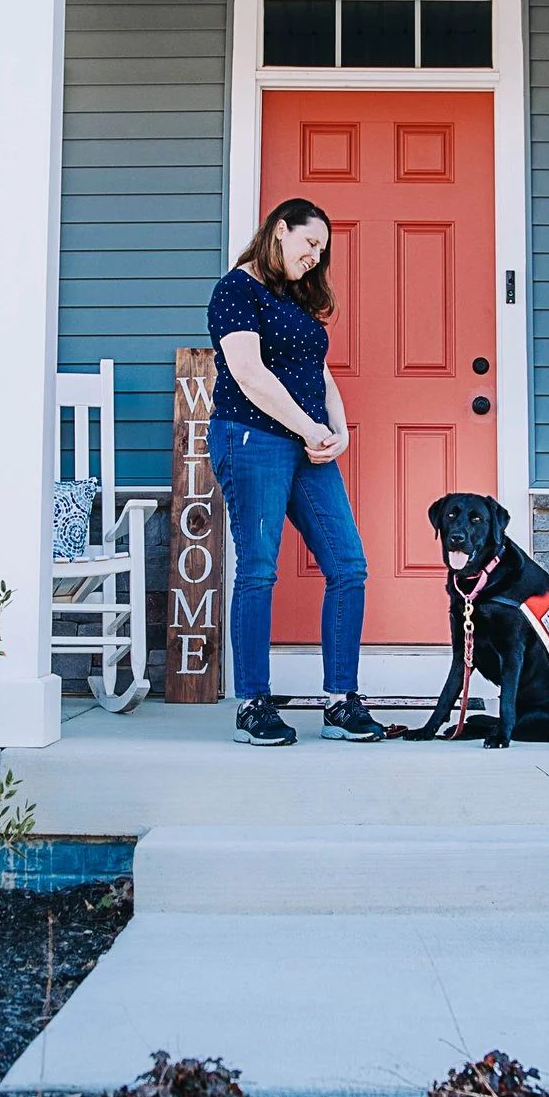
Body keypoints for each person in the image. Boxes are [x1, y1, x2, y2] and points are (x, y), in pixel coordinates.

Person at [206, 196, 383, 747]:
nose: (315, 257)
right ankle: (253, 706)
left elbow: (318, 371)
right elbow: (250, 375)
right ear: (280, 231)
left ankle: (340, 702)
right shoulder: (235, 290)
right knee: (258, 569)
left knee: (348, 565)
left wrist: (339, 428)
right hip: (251, 438)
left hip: (308, 445)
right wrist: (308, 429)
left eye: (322, 250)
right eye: (310, 243)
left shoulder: (296, 297)